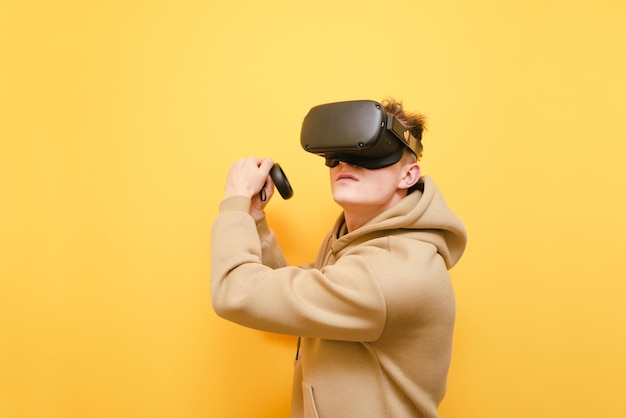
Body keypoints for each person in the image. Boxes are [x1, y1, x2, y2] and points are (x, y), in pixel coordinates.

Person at [210, 98, 467, 418]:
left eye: (369, 153)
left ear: (408, 176)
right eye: (337, 156)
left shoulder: (391, 273)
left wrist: (234, 202)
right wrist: (254, 219)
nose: (345, 164)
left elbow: (236, 292)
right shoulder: (356, 246)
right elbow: (289, 298)